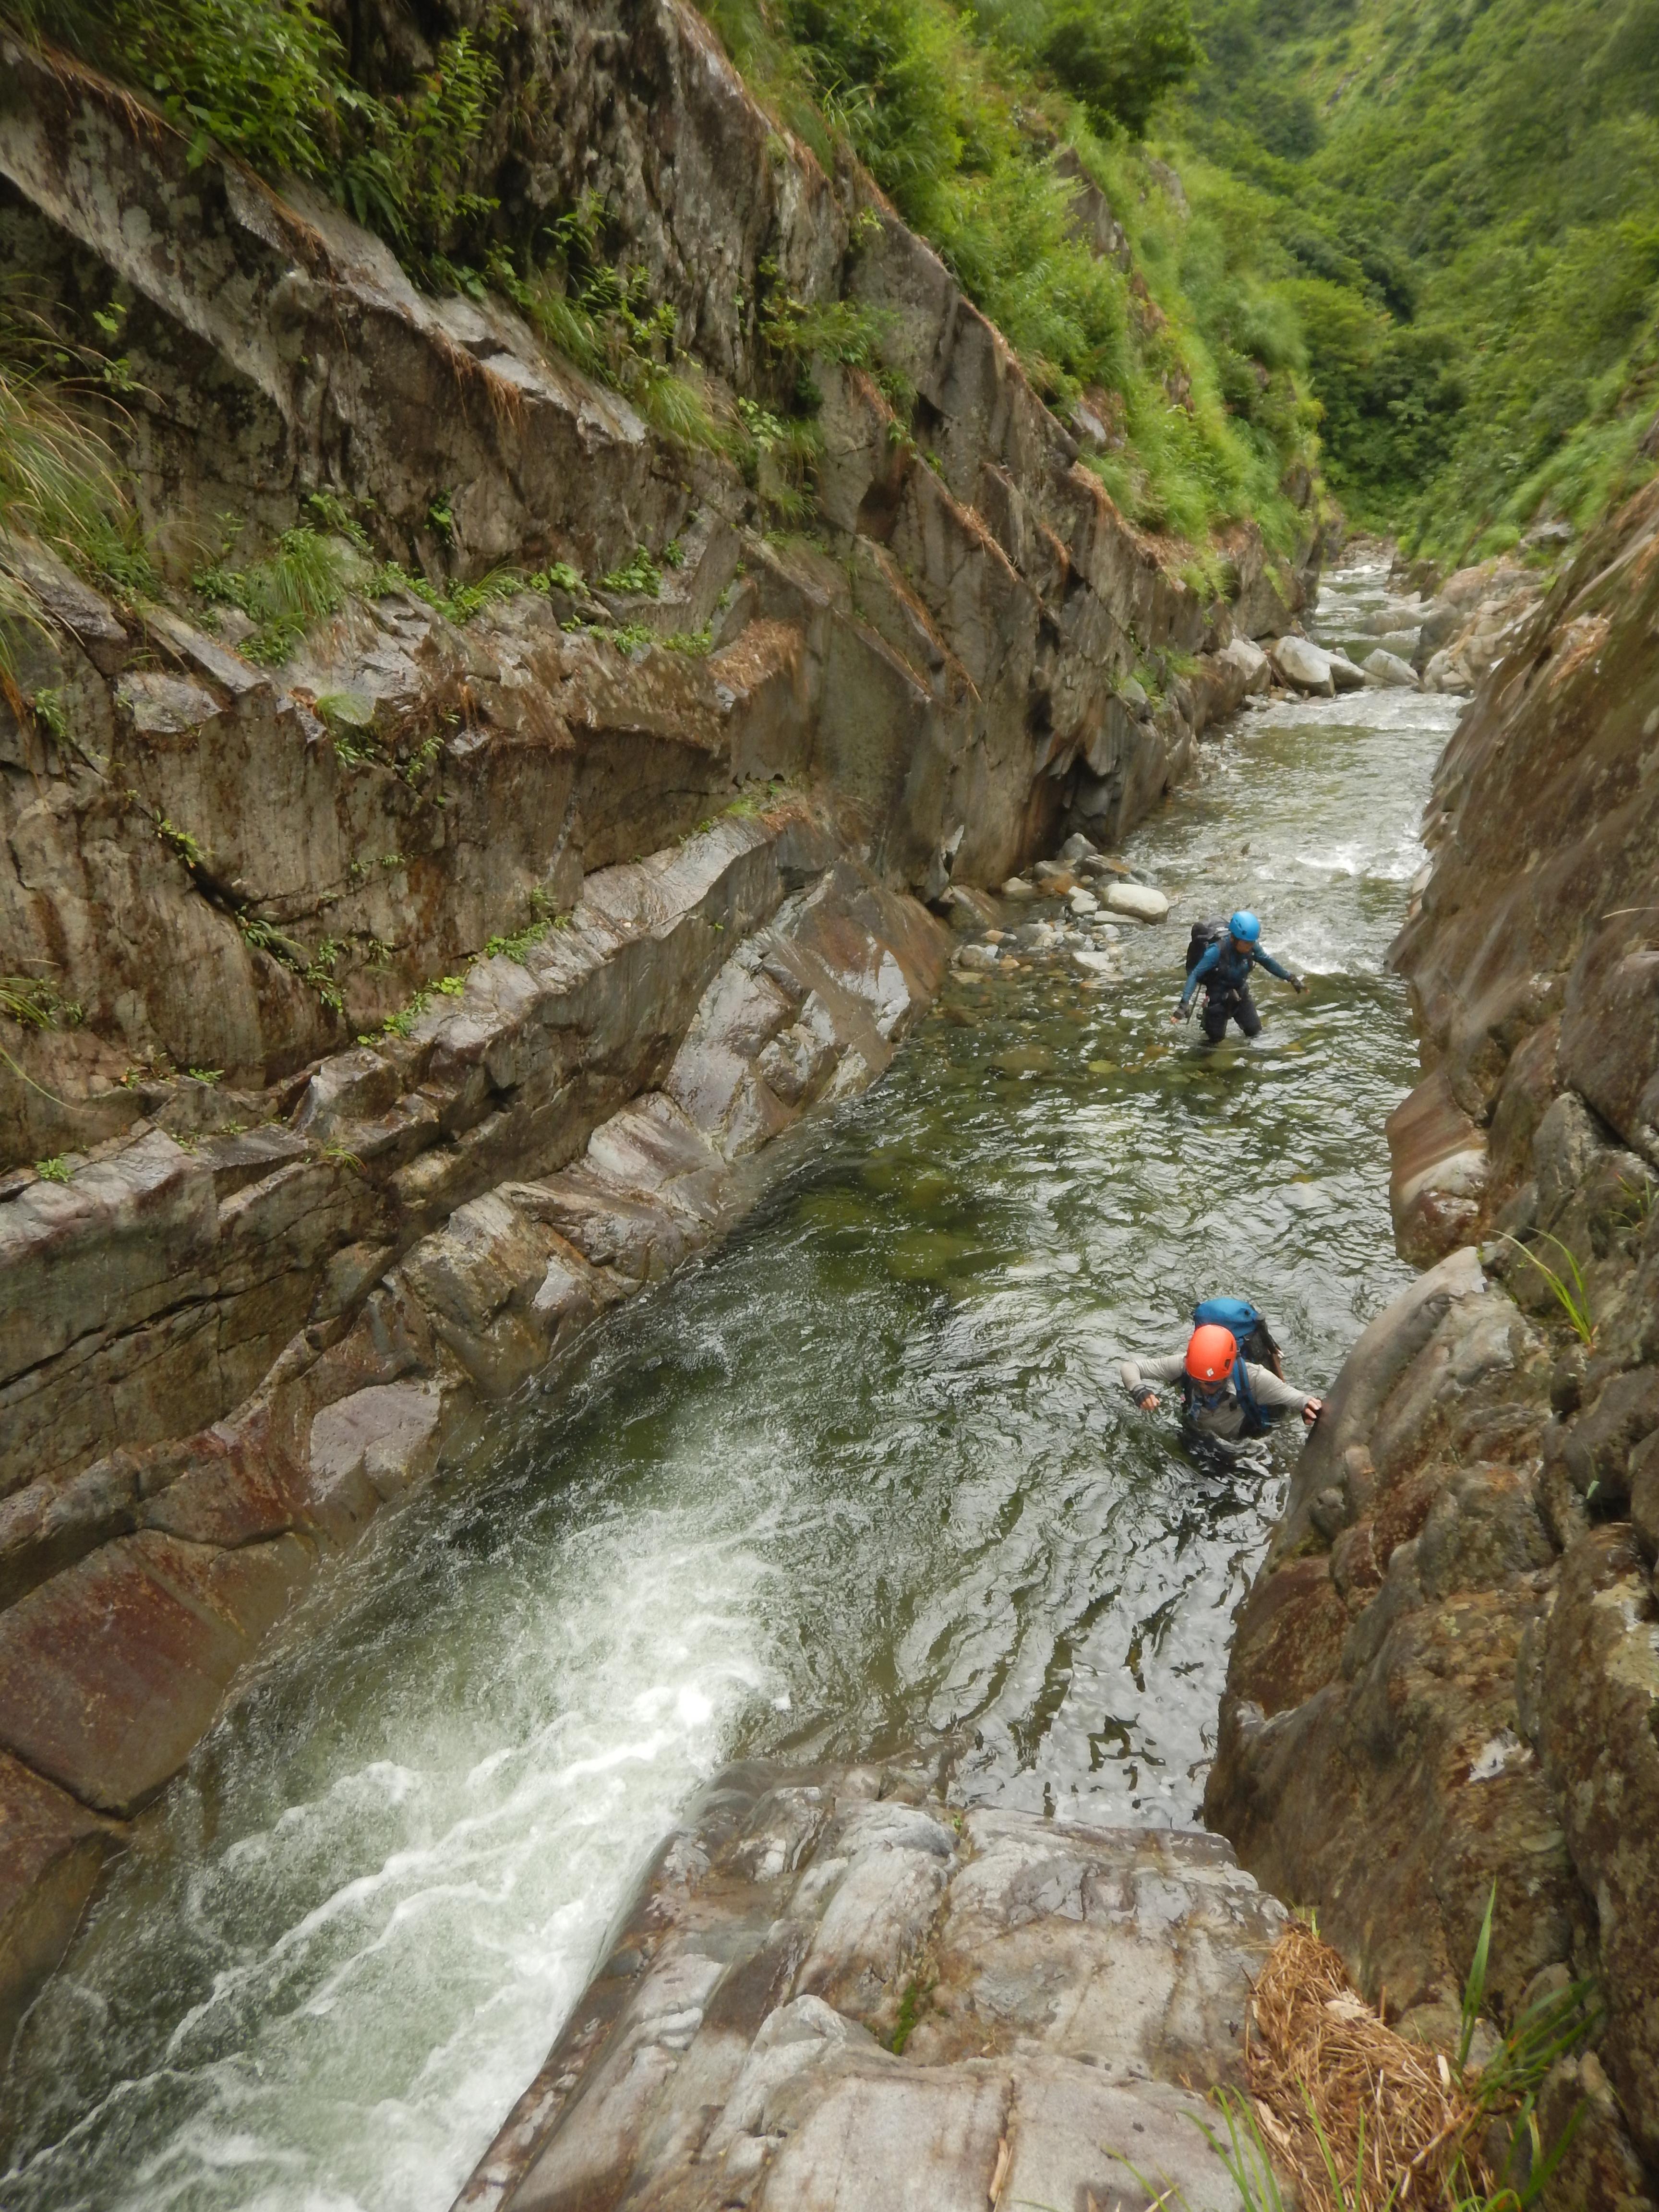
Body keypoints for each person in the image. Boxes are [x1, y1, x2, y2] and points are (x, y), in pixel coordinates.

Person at [1121, 1322, 1323, 1446]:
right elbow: (1130, 1367)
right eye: (1197, 1380)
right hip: (1195, 1433)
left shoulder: (1255, 1379)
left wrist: (1307, 1407)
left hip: (1239, 1448)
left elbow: (1299, 1398)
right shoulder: (1185, 1364)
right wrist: (1139, 1390)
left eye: (1211, 1383)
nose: (1203, 1387)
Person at [1174, 911, 1305, 1042]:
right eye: (1246, 943)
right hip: (1217, 999)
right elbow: (1195, 974)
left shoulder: (1251, 946)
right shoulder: (1216, 951)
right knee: (1214, 1041)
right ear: (1234, 939)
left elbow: (1267, 961)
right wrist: (1184, 1004)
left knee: (1255, 1033)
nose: (1250, 947)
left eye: (1252, 943)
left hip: (1241, 993)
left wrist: (1291, 978)